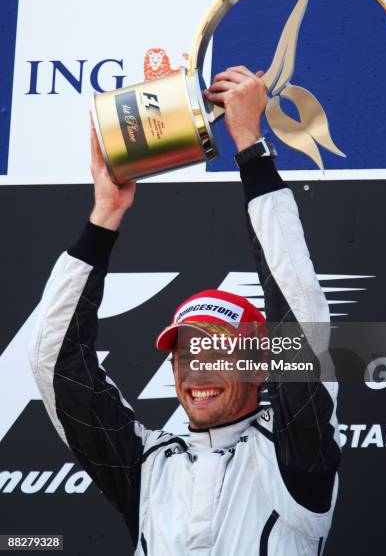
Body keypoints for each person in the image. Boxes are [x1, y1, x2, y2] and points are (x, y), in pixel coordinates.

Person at [29, 66, 341, 555]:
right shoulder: (146, 467)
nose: (198, 369)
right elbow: (57, 365)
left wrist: (249, 148)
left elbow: (297, 311)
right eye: (185, 353)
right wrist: (105, 215)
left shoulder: (293, 454)